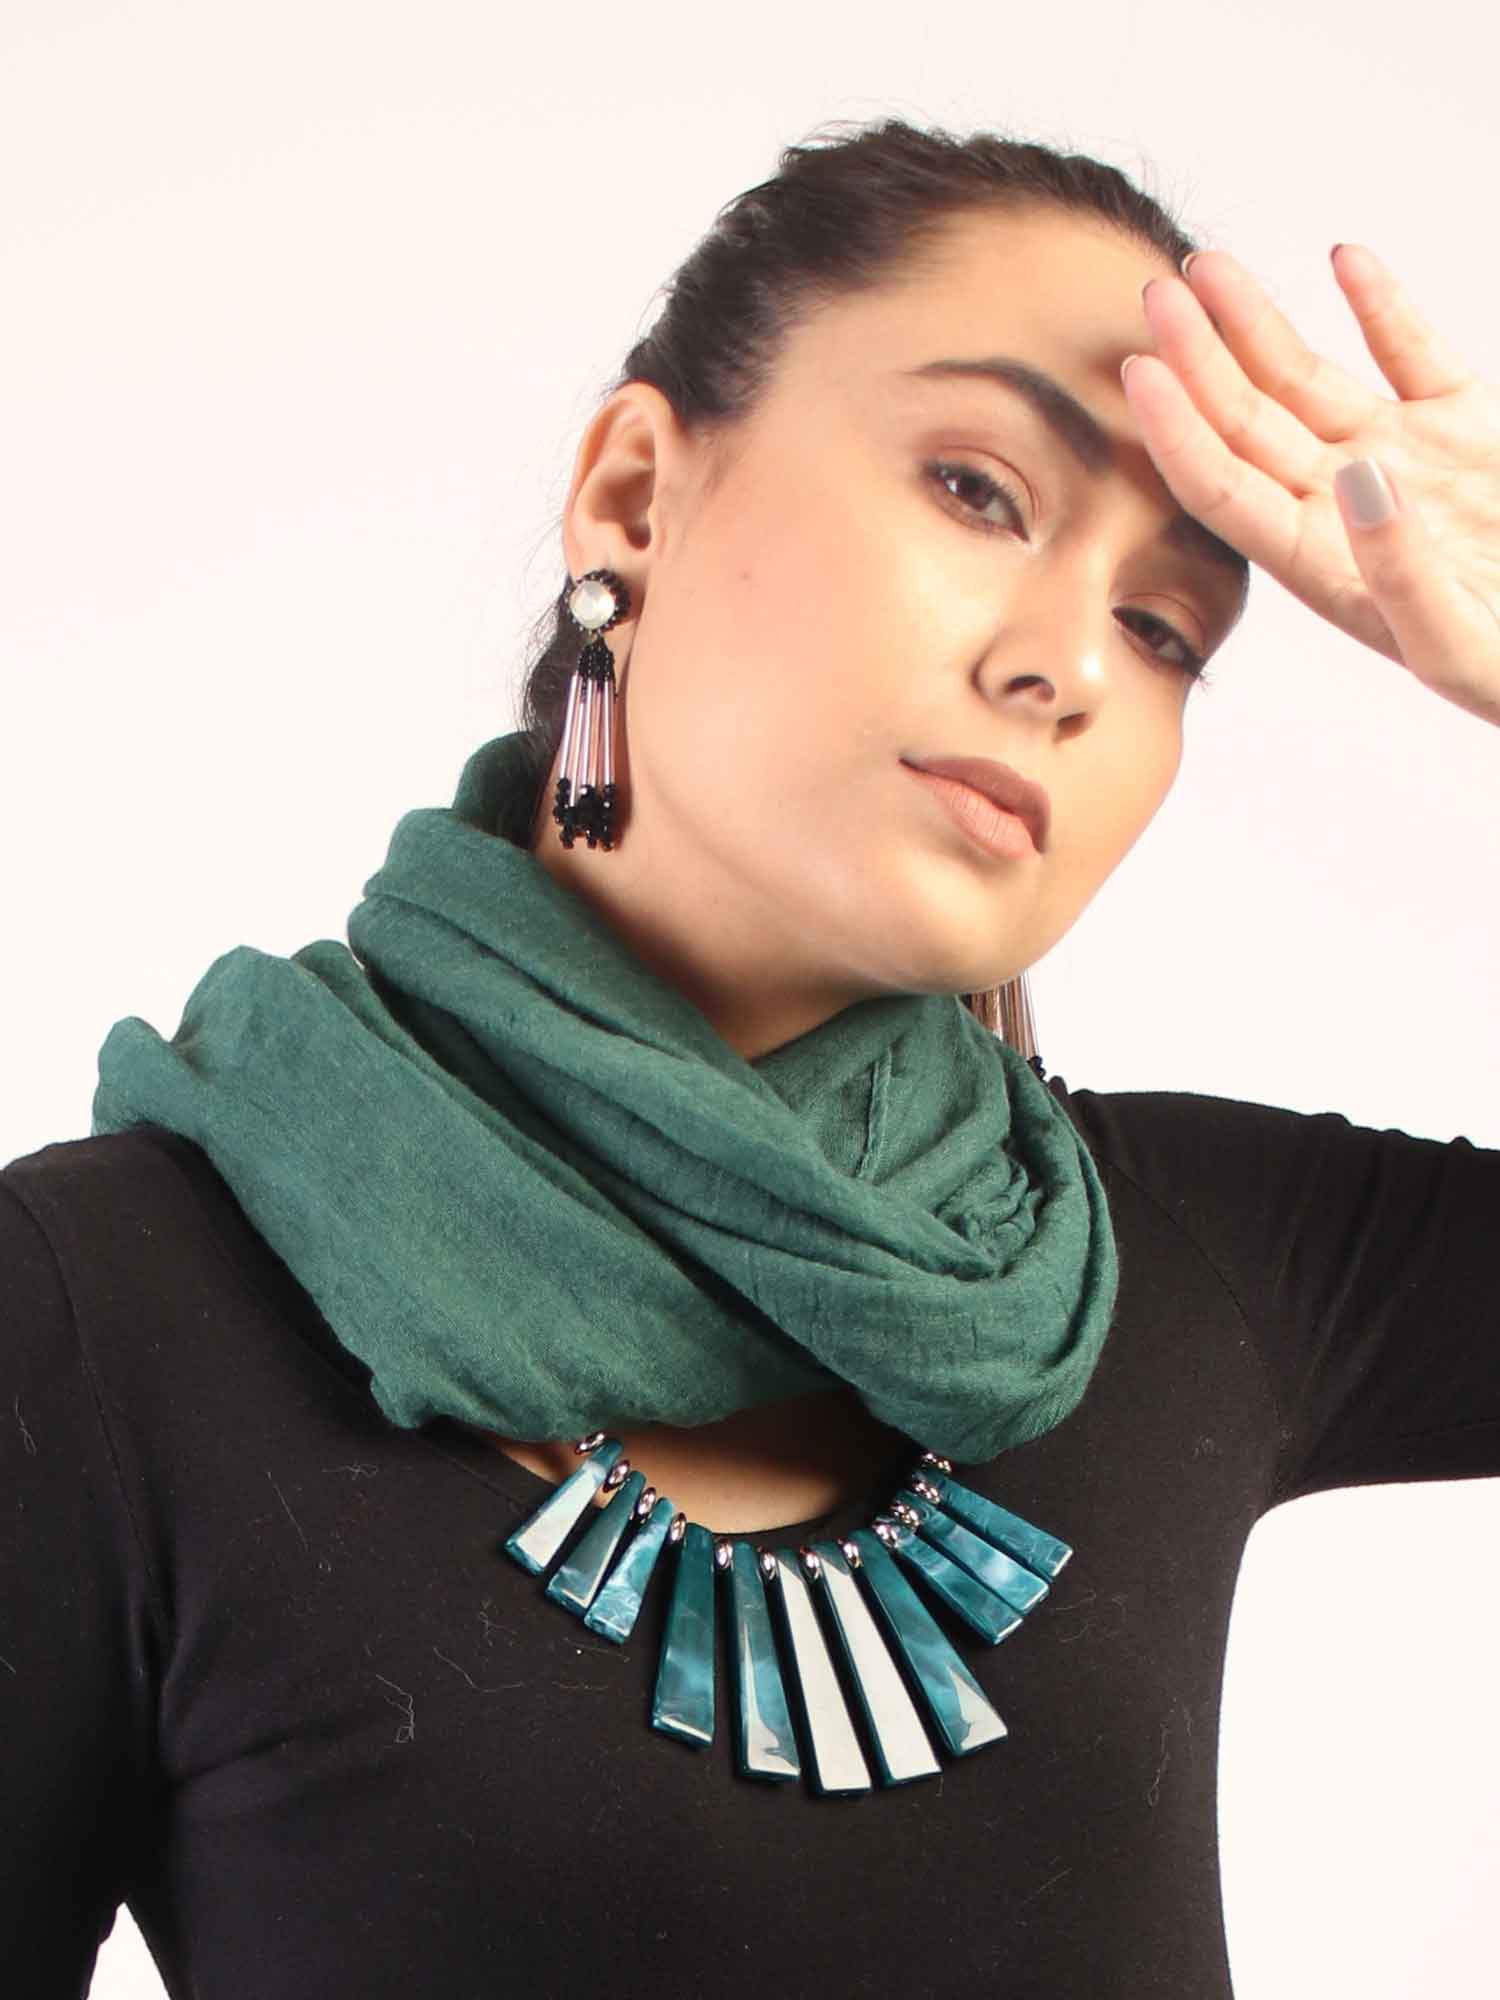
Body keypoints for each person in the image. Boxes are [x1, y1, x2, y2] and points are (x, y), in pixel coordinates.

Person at [3, 115, 1497, 2000]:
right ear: (635, 496)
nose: (1070, 666)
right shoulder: (96, 1313)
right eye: (978, 490)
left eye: (1163, 625)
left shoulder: (1196, 1261)